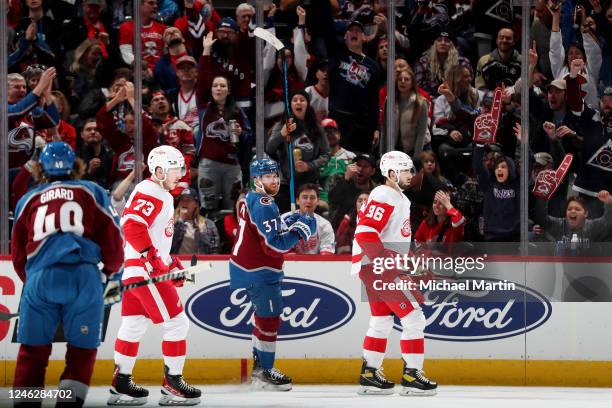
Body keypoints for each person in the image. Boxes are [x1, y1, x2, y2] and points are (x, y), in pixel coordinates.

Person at [11, 142, 124, 407]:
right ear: (75, 166)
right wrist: (108, 273)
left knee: (32, 353)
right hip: (84, 278)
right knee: (82, 352)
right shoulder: (92, 191)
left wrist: (32, 284)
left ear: (41, 168)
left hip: (40, 278)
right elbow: (114, 240)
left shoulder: (28, 199)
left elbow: (17, 255)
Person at [109, 146, 201, 406]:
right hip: (144, 273)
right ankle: (173, 384)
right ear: (159, 170)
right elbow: (132, 226)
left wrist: (170, 265)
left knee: (133, 324)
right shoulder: (152, 191)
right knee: (177, 324)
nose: (180, 175)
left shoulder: (159, 192)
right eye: (175, 169)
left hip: (137, 271)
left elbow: (152, 239)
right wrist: (153, 259)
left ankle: (121, 383)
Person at [353, 151, 437, 396]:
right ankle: (412, 375)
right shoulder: (385, 194)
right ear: (391, 174)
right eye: (406, 170)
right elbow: (365, 233)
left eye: (411, 170)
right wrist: (387, 264)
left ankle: (370, 373)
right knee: (414, 318)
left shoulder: (395, 196)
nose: (411, 175)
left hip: (373, 267)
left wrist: (409, 261)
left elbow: (389, 239)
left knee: (381, 321)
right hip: (380, 269)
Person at [229, 158, 316, 391]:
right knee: (270, 319)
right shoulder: (265, 203)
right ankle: (266, 371)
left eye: (275, 175)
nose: (274, 180)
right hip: (260, 270)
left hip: (248, 267)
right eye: (268, 176)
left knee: (263, 318)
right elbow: (275, 245)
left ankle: (260, 368)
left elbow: (261, 228)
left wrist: (286, 220)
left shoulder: (250, 197)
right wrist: (301, 230)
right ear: (256, 179)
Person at [282, 183, 335, 255]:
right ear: (297, 200)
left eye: (312, 198)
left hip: (316, 265)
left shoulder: (325, 225)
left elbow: (327, 254)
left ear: (318, 201)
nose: (308, 201)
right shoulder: (284, 220)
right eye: (305, 197)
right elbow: (279, 248)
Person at [171, 187, 221, 255]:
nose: (184, 203)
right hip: (176, 263)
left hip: (200, 263)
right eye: (182, 200)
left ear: (196, 204)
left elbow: (215, 249)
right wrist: (180, 220)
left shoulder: (208, 224)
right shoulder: (170, 222)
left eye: (188, 200)